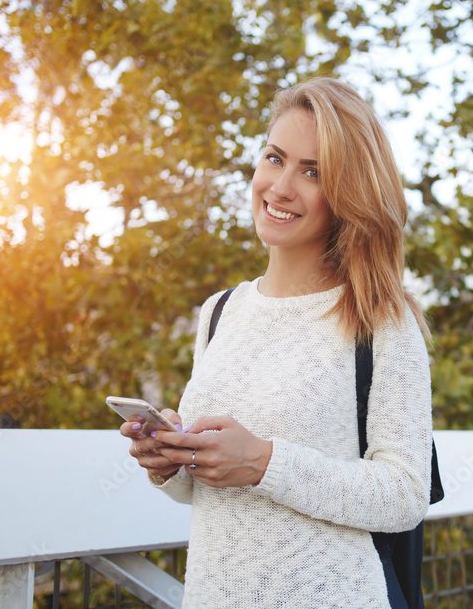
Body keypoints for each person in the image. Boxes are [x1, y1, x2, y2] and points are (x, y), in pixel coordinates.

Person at [119, 77, 433, 608]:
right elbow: (213, 491)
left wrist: (266, 462)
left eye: (313, 172)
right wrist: (170, 460)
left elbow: (405, 494)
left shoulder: (382, 318)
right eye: (274, 158)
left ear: (348, 193)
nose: (281, 186)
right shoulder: (219, 312)